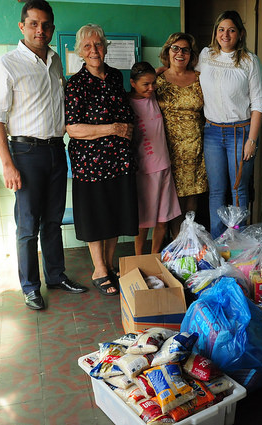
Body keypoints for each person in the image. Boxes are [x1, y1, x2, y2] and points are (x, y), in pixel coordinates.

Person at [0, 0, 87, 311]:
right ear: (22, 26)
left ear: (52, 29)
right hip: (25, 152)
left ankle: (56, 275)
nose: (40, 30)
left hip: (57, 150)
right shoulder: (5, 65)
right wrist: (7, 164)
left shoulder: (56, 62)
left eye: (45, 25)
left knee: (53, 221)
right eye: (33, 24)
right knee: (28, 225)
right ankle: (30, 286)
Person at [65, 24, 138, 296]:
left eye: (98, 44)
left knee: (115, 213)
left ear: (105, 47)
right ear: (80, 52)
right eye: (88, 46)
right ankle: (98, 269)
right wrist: (113, 128)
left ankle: (108, 264)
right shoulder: (76, 84)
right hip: (91, 163)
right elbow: (73, 128)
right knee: (96, 217)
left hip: (119, 159)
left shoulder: (117, 77)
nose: (94, 50)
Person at [196, 11, 262, 238]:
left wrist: (252, 141)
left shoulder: (249, 60)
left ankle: (239, 241)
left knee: (238, 189)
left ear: (240, 34)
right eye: (221, 29)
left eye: (231, 30)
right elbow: (188, 77)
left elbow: (258, 103)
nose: (225, 34)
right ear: (215, 32)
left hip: (240, 132)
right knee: (216, 191)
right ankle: (217, 242)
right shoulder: (205, 55)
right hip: (212, 132)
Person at [156, 32, 207, 237]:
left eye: (185, 49)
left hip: (195, 145)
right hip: (168, 147)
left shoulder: (199, 78)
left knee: (192, 195)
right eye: (175, 48)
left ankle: (189, 241)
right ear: (167, 51)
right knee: (172, 198)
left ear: (191, 54)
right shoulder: (158, 79)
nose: (180, 53)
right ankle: (177, 242)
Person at [129, 62, 182, 255]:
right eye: (145, 84)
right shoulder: (128, 104)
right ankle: (139, 257)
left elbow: (158, 72)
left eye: (154, 83)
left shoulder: (152, 97)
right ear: (132, 83)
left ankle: (155, 257)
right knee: (144, 220)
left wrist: (166, 65)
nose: (151, 88)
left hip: (164, 165)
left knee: (163, 218)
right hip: (145, 170)